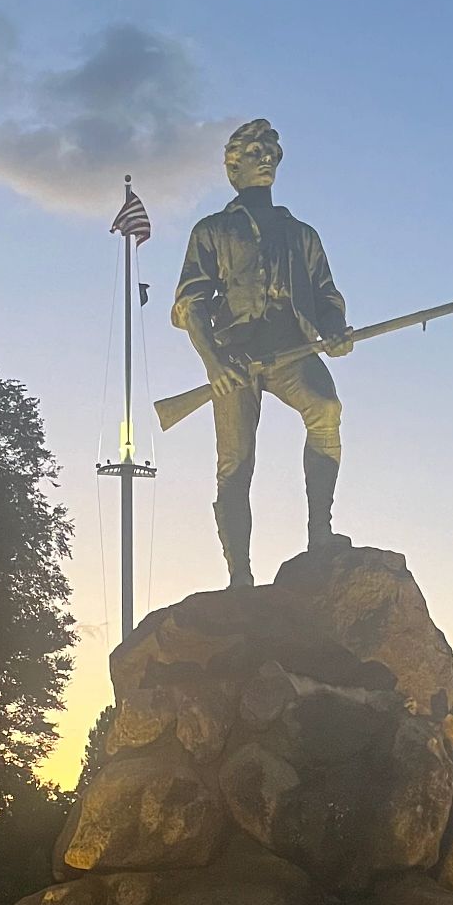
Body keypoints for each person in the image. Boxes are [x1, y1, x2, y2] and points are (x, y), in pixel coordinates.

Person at [172, 119, 355, 586]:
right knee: (235, 465)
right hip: (235, 358)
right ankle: (240, 575)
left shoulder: (302, 234)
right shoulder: (212, 230)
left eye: (271, 149)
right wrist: (214, 364)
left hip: (292, 351)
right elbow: (190, 305)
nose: (266, 157)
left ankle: (320, 534)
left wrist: (336, 332)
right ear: (233, 167)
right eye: (254, 151)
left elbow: (327, 297)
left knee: (326, 407)